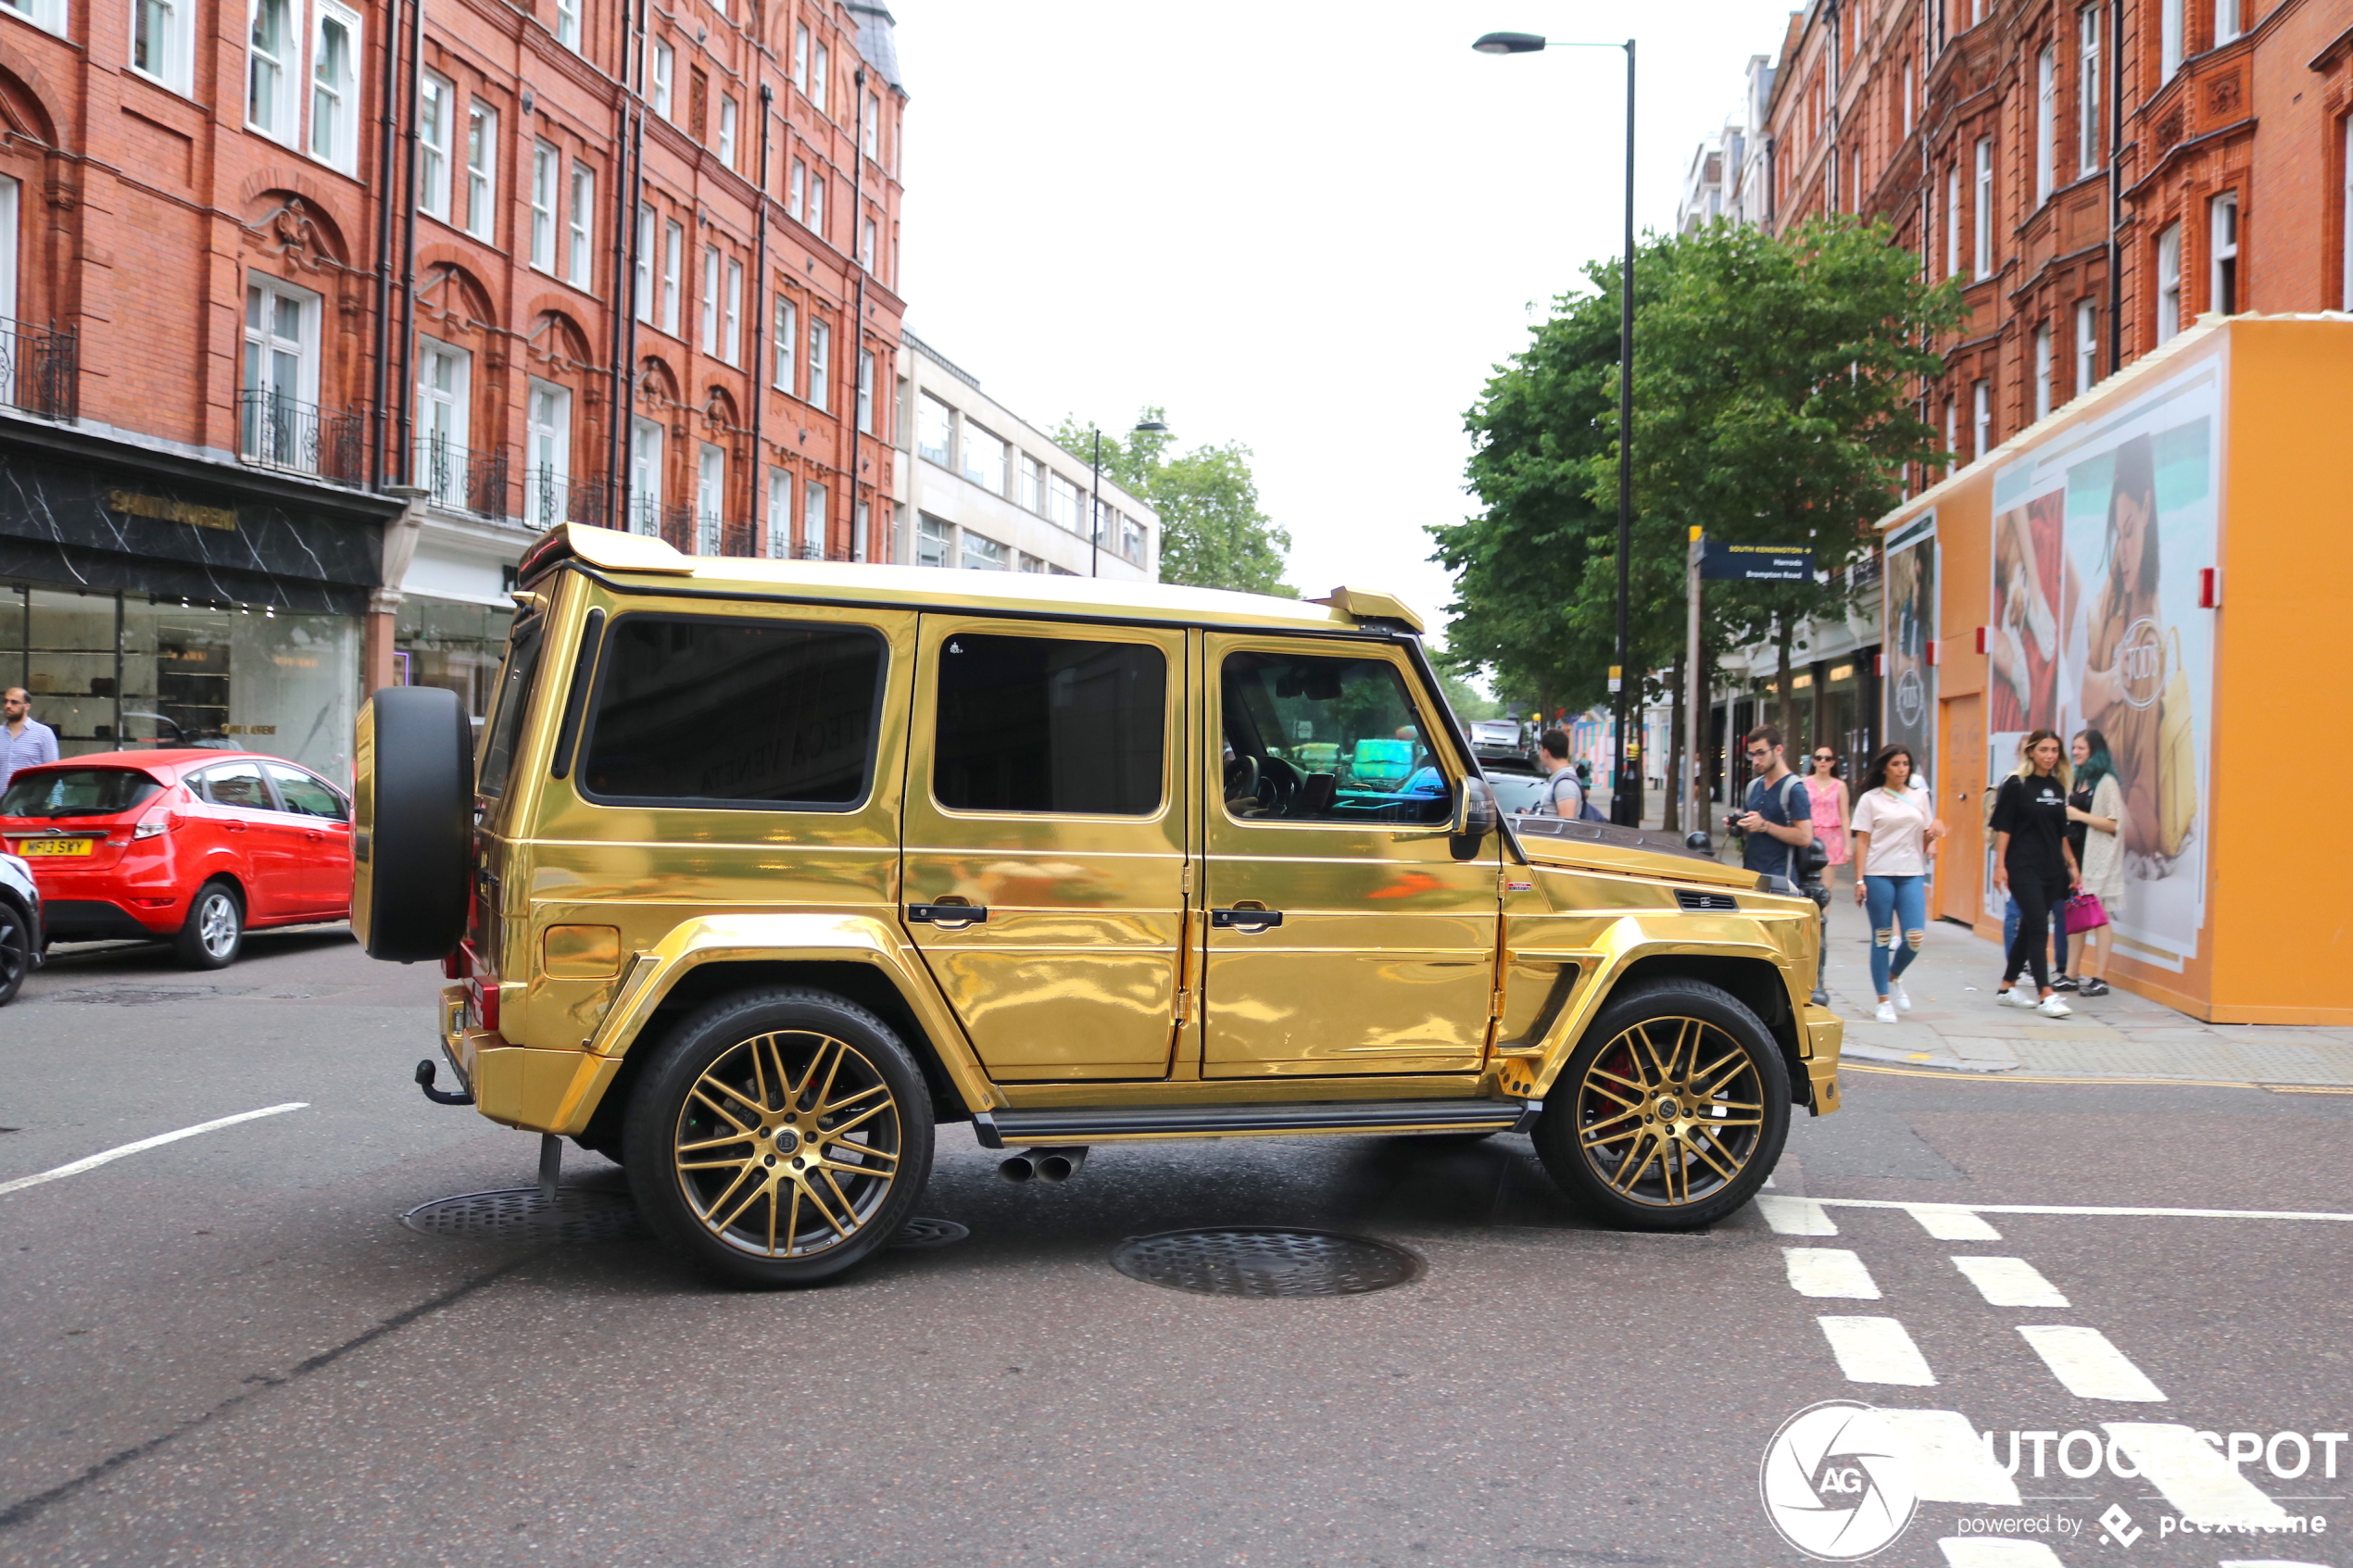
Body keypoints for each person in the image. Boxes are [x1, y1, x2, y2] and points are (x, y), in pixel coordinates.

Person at [2080, 434, 2171, 861]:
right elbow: (2086, 694)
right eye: (2118, 535)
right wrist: (2113, 683)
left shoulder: (2151, 633)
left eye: (2130, 531)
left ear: (2149, 508)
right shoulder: (2112, 592)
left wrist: (2089, 817)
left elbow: (2146, 823)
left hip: (2117, 812)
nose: (2123, 552)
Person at [1850, 744, 1946, 1023]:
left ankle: (1893, 977)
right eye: (1895, 764)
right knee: (1882, 937)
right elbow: (1863, 841)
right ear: (1884, 767)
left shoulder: (1919, 797)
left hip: (1911, 873)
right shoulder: (1871, 799)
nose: (1901, 769)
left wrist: (1934, 833)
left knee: (1914, 937)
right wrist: (1859, 880)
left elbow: (1926, 837)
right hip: (1878, 873)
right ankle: (1882, 999)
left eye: (1905, 764)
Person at [1990, 729, 2080, 1016]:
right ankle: (2046, 994)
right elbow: (2004, 827)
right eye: (2044, 750)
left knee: (2030, 928)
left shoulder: (2057, 786)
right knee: (2040, 927)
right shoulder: (2016, 784)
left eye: (2054, 750)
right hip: (2022, 864)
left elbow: (2060, 832)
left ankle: (2006, 988)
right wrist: (2000, 865)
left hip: (2051, 866)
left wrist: (2072, 864)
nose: (2049, 756)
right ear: (2031, 751)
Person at [2061, 728, 2126, 997]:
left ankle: (2100, 977)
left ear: (2094, 752)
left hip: (2099, 857)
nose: (2074, 752)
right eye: (2074, 747)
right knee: (2076, 914)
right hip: (2076, 857)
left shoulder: (2107, 782)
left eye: (2081, 748)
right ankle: (2070, 975)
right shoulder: (2077, 779)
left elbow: (2114, 823)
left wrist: (2077, 815)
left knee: (2100, 916)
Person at [1734, 725, 1815, 881]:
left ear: (1778, 750)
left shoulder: (1794, 789)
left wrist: (1764, 825)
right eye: (1751, 755)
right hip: (1751, 875)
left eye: (1761, 753)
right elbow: (1751, 829)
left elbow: (1805, 837)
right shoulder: (1753, 787)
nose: (1756, 760)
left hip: (1781, 879)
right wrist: (1739, 823)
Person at [1803, 746, 1852, 888]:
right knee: (1806, 882)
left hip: (1832, 837)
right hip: (1809, 835)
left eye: (1827, 758)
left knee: (1826, 886)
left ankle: (1825, 911)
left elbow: (1845, 817)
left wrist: (1847, 846)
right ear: (1814, 761)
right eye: (1819, 758)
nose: (1823, 761)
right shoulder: (1804, 783)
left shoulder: (1840, 786)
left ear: (1833, 762)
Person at [1, 687, 60, 794]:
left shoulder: (43, 733)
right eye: (5, 701)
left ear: (27, 706)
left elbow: (54, 772)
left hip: (29, 804)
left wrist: (54, 804)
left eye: (14, 702)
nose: (8, 706)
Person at [1534, 729, 1587, 818]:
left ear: (1546, 752)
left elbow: (1566, 825)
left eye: (1540, 749)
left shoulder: (1565, 784)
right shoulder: (1561, 780)